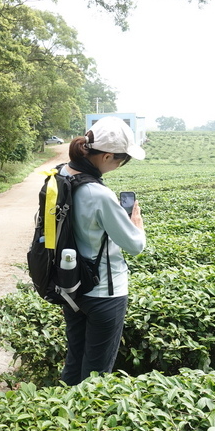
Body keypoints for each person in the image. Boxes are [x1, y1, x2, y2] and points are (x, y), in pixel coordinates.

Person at [59, 116, 146, 386]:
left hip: (71, 286)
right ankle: (85, 424)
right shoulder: (98, 194)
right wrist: (136, 225)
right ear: (107, 156)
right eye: (121, 160)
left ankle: (60, 417)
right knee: (97, 375)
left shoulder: (60, 176)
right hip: (105, 293)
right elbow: (135, 245)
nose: (120, 165)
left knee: (75, 361)